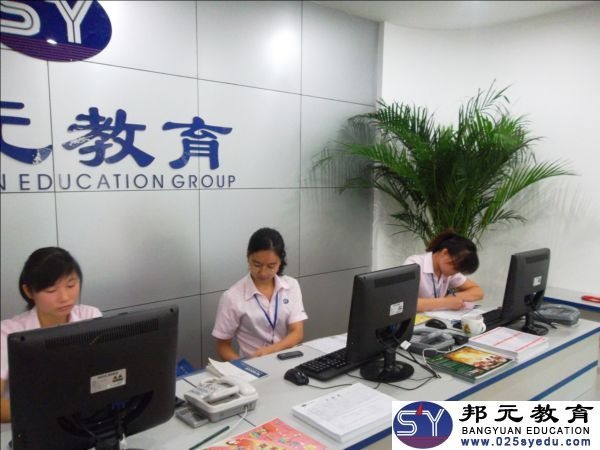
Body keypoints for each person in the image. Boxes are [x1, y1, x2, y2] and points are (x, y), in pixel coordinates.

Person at [0, 247, 102, 423]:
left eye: (71, 285)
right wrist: (54, 409)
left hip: (85, 420)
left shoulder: (90, 317)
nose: (64, 297)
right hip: (28, 425)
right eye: (50, 290)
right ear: (29, 291)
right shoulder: (8, 333)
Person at [212, 227, 307, 361]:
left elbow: (297, 332)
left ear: (280, 261)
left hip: (286, 360)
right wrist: (243, 367)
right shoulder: (232, 297)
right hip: (252, 364)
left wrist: (270, 350)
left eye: (271, 266)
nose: (263, 272)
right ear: (248, 257)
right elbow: (223, 346)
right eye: (257, 264)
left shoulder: (291, 285)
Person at [404, 230, 484, 312]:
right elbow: (405, 303)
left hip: (437, 317)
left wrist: (455, 297)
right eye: (455, 268)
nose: (455, 273)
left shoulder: (448, 270)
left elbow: (478, 292)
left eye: (458, 271)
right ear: (445, 253)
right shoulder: (414, 264)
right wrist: (445, 302)